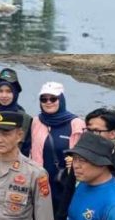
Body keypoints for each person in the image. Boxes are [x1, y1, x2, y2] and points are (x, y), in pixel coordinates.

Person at [54, 108, 115, 220]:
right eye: (88, 130)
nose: (90, 135)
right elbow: (69, 190)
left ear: (112, 134)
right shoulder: (79, 159)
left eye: (96, 131)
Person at [31, 82, 85, 211]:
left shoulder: (76, 123)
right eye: (44, 99)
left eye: (53, 98)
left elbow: (84, 153)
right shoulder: (36, 121)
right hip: (40, 181)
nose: (48, 102)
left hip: (64, 182)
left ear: (61, 100)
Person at [0, 68, 32, 154]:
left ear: (15, 94)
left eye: (8, 91)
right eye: (0, 91)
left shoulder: (26, 119)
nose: (4, 95)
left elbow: (26, 150)